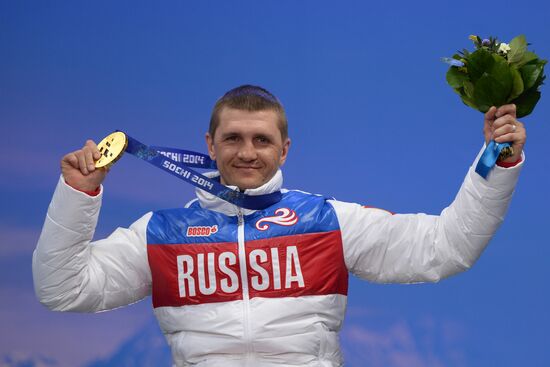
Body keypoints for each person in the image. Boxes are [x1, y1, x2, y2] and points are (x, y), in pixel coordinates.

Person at [33, 85, 526, 367]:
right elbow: (62, 289)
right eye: (233, 138)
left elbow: (446, 247)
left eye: (262, 140)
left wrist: (495, 162)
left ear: (285, 149)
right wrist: (79, 193)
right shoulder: (162, 232)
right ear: (210, 144)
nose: (247, 152)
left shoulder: (327, 220)